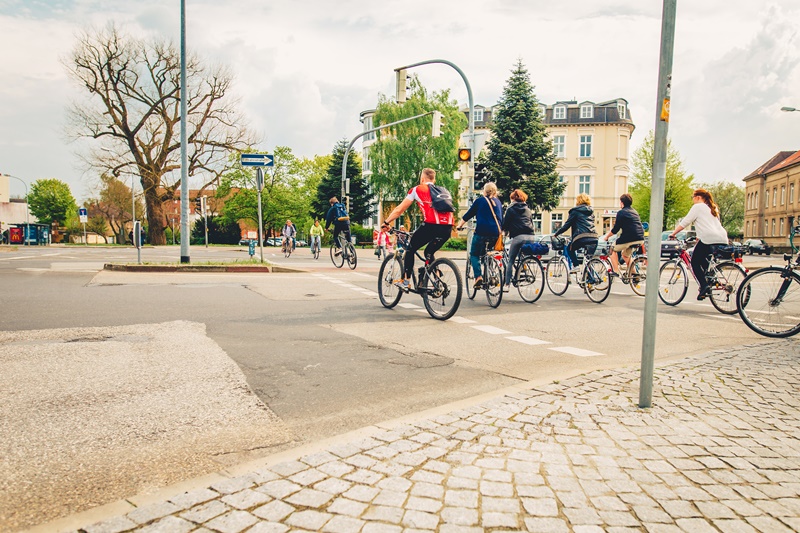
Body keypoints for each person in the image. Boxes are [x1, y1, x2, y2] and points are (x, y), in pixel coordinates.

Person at [382, 168, 454, 290]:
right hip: (447, 228)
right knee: (428, 253)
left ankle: (406, 281)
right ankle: (437, 279)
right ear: (434, 179)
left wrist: (386, 222)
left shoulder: (417, 189)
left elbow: (399, 210)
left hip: (431, 226)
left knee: (410, 248)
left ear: (422, 179)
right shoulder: (444, 191)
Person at [670, 188, 728, 300]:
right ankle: (710, 279)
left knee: (694, 262)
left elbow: (685, 222)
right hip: (721, 238)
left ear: (698, 197)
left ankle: (704, 285)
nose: (692, 200)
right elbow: (709, 224)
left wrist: (673, 233)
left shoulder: (698, 207)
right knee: (703, 260)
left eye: (693, 197)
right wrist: (699, 237)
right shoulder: (713, 207)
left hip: (708, 238)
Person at [455, 182, 503, 289]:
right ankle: (491, 275)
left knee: (474, 254)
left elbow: (468, 215)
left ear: (484, 191)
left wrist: (459, 225)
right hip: (496, 233)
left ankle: (478, 277)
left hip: (482, 232)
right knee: (489, 254)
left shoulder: (480, 201)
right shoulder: (498, 202)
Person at [601, 193, 645, 278]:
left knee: (612, 249)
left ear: (622, 203)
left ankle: (615, 271)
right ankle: (635, 274)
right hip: (640, 238)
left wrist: (606, 237)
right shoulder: (634, 211)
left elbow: (615, 229)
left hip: (629, 238)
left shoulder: (621, 213)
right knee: (625, 255)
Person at [553, 193, 598, 272]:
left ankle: (576, 265)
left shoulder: (575, 211)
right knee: (589, 259)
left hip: (581, 237)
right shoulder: (591, 211)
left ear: (578, 201)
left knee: (569, 249)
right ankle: (591, 279)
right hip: (594, 237)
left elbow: (567, 225)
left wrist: (557, 233)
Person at [501, 189, 536, 291]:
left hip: (518, 237)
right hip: (530, 236)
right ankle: (522, 269)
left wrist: (504, 232)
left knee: (511, 260)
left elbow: (505, 224)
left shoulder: (510, 209)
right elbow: (531, 223)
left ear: (513, 199)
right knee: (523, 256)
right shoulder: (528, 209)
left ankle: (507, 285)